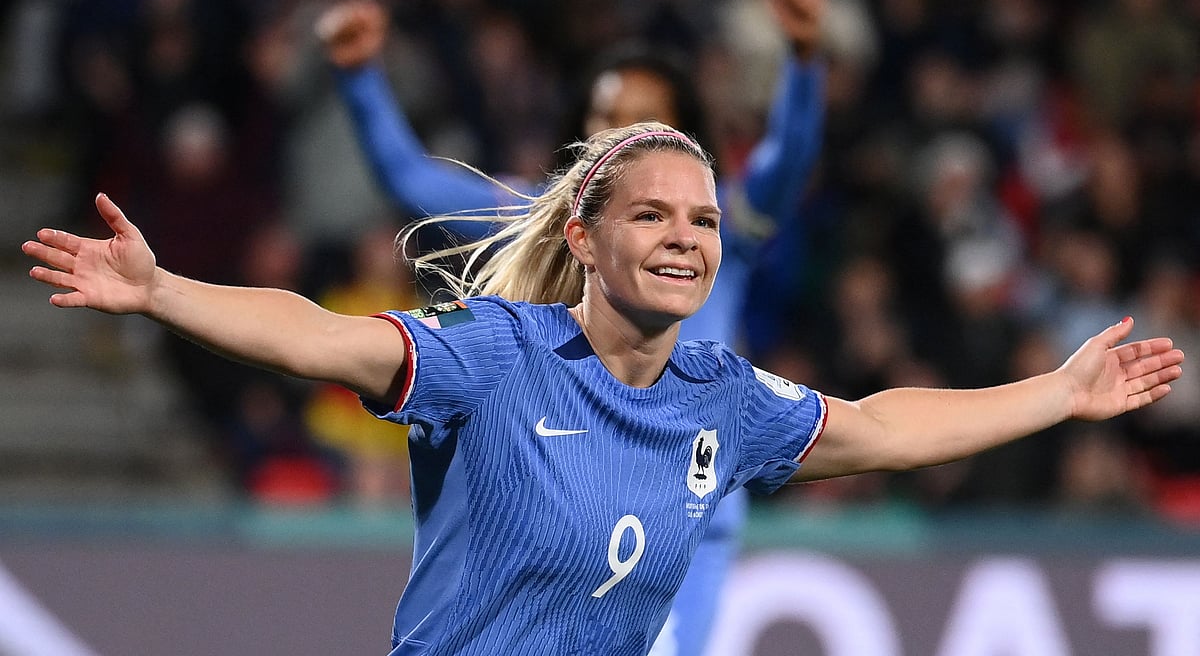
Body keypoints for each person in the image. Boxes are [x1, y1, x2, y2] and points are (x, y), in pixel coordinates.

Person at [24, 121, 1184, 655]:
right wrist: (166, 290)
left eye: (705, 221)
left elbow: (877, 425)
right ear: (583, 235)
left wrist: (1057, 391)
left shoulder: (722, 398)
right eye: (652, 214)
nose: (686, 239)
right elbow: (322, 341)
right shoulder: (497, 352)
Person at [316, 0, 827, 655]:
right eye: (603, 116)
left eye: (641, 119)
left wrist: (802, 64)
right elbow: (409, 178)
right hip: (575, 511)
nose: (614, 132)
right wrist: (359, 79)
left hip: (685, 510)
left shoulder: (718, 223)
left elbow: (788, 157)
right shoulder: (550, 217)